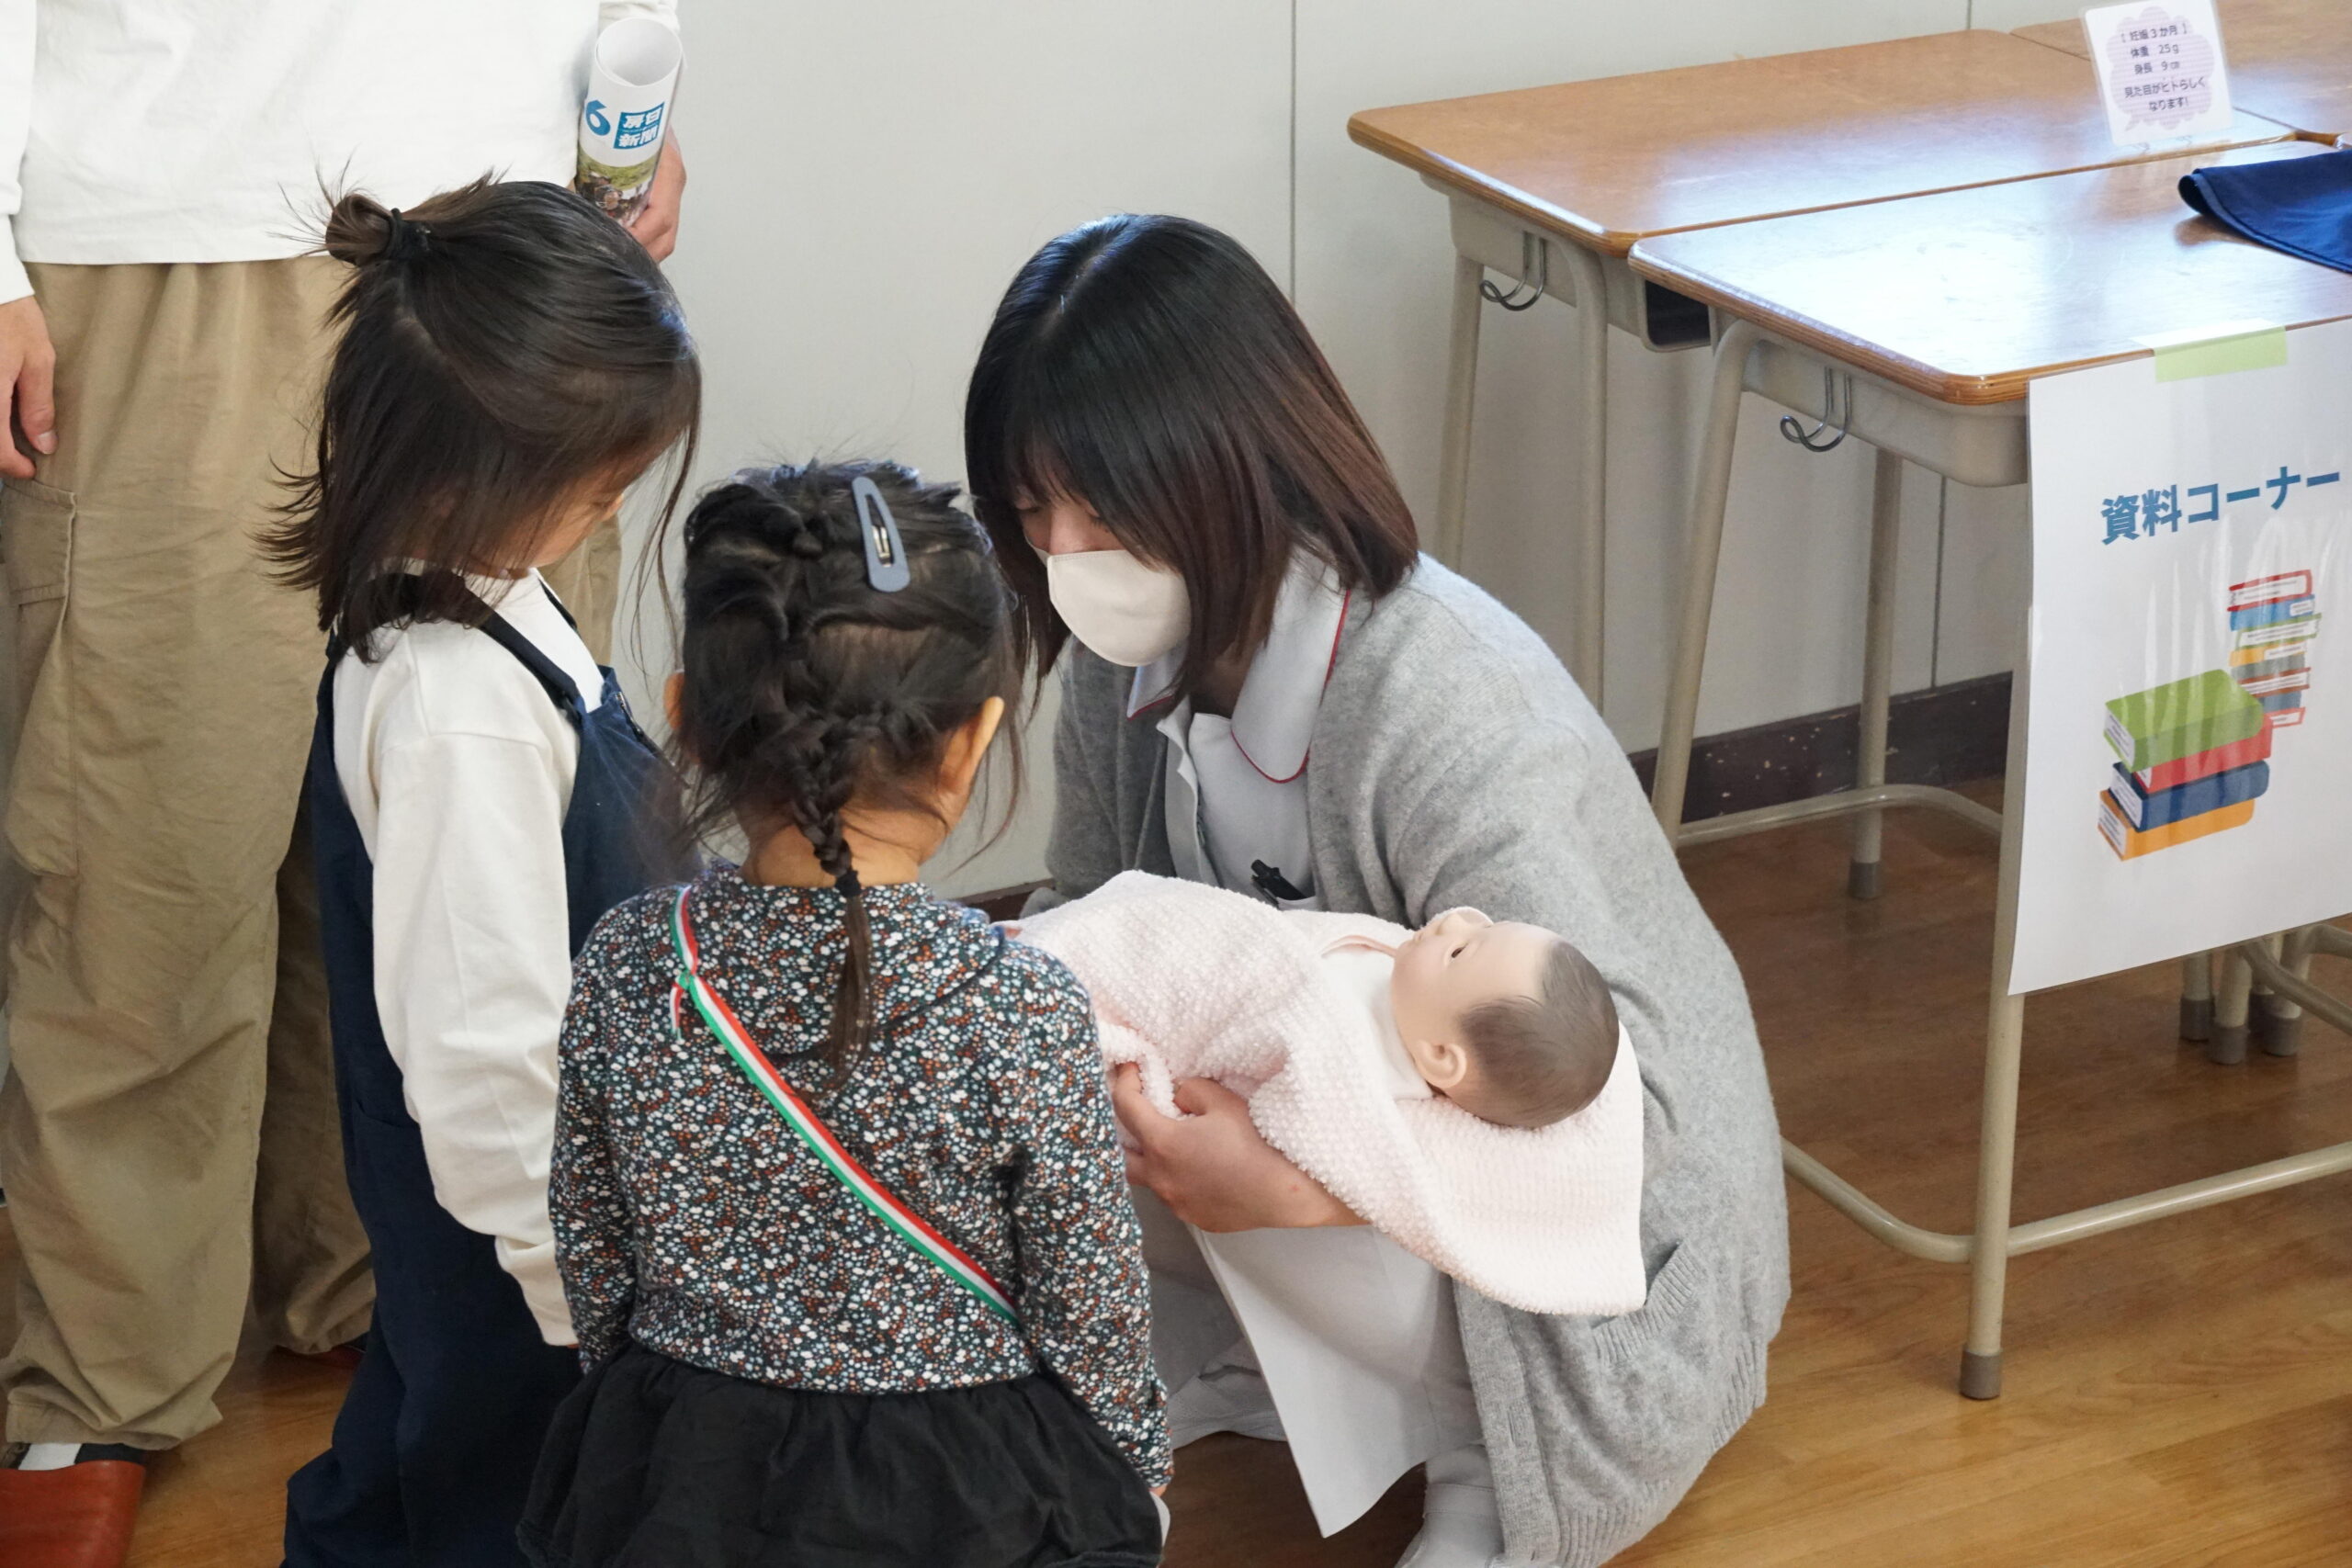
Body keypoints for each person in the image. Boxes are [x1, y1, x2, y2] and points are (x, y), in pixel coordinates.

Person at [966, 214, 1790, 1568]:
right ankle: (1238, 1359)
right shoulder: (1122, 668)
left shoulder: (1445, 700)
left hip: (1582, 1203)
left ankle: (1481, 1455)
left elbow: (1605, 1114)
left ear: (1233, 468)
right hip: (1299, 1139)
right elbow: (1091, 920)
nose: (1063, 550)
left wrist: (1307, 1186)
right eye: (1029, 509)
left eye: (1101, 511)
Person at [0, 5, 686, 1562]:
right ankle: (100, 1371)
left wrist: (639, 102)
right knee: (147, 845)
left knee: (465, 839)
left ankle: (365, 1274)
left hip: (515, 203)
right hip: (170, 213)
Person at [521, 462, 1168, 1567]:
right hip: (964, 1490)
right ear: (969, 743)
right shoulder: (1020, 1003)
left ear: (687, 723)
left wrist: (641, 1413)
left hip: (686, 1467)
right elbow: (1088, 1295)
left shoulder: (631, 961)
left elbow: (591, 1234)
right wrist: (1134, 1469)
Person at [268, 180, 701, 1565]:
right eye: (604, 485)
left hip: (529, 1220)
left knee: (410, 1452)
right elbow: (485, 1057)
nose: (613, 505)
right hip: (524, 1252)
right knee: (491, 1497)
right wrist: (587, 1302)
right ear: (484, 471)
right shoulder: (456, 705)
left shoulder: (484, 603)